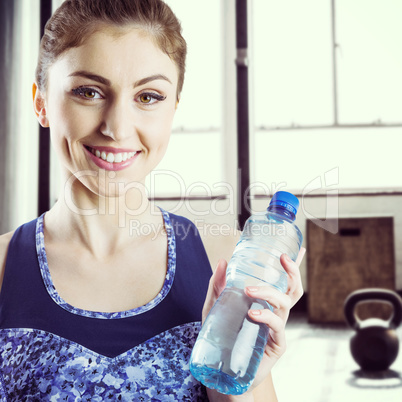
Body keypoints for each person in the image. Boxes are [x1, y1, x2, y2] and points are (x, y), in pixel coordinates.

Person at [0, 0, 305, 400]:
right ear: (41, 101)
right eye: (88, 91)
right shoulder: (4, 268)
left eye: (148, 97)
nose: (117, 128)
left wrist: (243, 377)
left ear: (173, 106)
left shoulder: (226, 260)